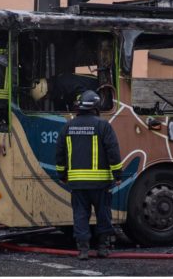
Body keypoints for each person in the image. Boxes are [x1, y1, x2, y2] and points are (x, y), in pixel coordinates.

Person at [55, 91, 122, 260]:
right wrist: (118, 173)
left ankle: (83, 250)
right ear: (96, 107)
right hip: (100, 183)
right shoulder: (103, 126)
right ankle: (102, 248)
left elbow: (60, 154)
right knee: (103, 214)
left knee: (80, 215)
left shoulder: (68, 127)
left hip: (77, 183)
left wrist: (62, 174)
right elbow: (112, 151)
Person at [31, 73, 100, 112]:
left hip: (99, 93)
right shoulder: (57, 90)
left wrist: (77, 104)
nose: (46, 99)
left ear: (46, 92)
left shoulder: (64, 82)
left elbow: (83, 94)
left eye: (44, 98)